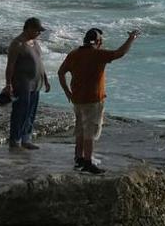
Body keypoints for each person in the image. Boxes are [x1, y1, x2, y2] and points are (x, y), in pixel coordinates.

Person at [56, 27, 140, 175]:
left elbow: (61, 72)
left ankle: (79, 159)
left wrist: (67, 92)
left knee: (81, 129)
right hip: (93, 99)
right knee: (90, 131)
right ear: (99, 41)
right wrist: (131, 39)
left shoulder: (74, 54)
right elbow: (119, 53)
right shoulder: (97, 54)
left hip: (77, 98)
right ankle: (88, 162)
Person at [1, 16, 51, 151]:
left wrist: (45, 79)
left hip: (36, 83)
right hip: (22, 84)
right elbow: (10, 66)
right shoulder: (17, 44)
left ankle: (26, 139)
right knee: (20, 112)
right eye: (37, 30)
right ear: (29, 28)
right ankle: (15, 140)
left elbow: (40, 62)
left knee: (31, 113)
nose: (39, 33)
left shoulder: (34, 43)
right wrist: (8, 84)